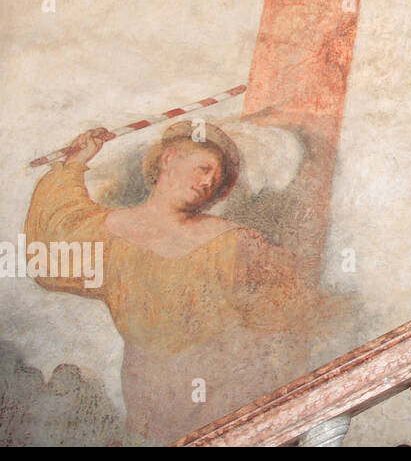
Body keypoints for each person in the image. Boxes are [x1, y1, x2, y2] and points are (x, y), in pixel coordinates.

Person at [24, 121, 326, 443]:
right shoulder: (112, 234)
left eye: (216, 177)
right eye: (203, 167)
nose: (209, 180)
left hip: (229, 403)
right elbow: (56, 241)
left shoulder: (232, 241)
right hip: (152, 409)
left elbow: (291, 310)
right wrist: (75, 164)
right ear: (169, 158)